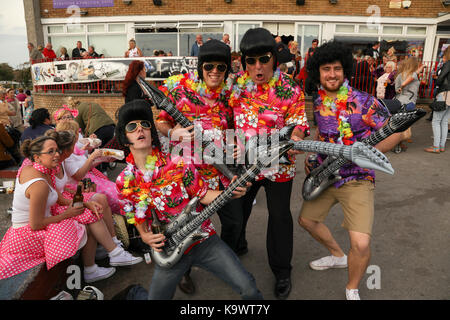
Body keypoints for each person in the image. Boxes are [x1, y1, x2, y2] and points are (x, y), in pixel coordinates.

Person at [114, 99, 262, 300]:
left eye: (145, 124)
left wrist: (231, 192)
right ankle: (134, 293)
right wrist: (145, 236)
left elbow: (204, 194)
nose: (140, 130)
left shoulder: (178, 161)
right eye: (132, 127)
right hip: (169, 248)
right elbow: (132, 214)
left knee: (250, 289)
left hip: (203, 239)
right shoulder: (124, 180)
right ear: (124, 137)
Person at [298, 41, 403, 300]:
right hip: (326, 173)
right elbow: (322, 134)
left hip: (358, 179)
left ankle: (352, 287)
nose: (332, 74)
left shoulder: (364, 101)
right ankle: (338, 256)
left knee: (362, 242)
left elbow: (398, 132)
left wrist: (368, 155)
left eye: (336, 68)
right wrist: (313, 155)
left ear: (345, 70)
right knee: (306, 221)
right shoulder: (319, 101)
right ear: (318, 73)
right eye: (326, 69)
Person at [228, 27, 310, 299]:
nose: (257, 67)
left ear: (274, 58)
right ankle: (237, 246)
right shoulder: (235, 85)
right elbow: (217, 111)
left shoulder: (290, 89)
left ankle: (282, 270)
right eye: (250, 61)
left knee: (279, 217)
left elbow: (299, 124)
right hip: (244, 165)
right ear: (243, 62)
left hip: (279, 167)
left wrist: (296, 137)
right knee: (236, 212)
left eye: (263, 59)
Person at [156, 39, 236, 294]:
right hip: (187, 176)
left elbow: (235, 129)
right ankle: (184, 272)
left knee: (234, 221)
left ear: (227, 70)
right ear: (201, 67)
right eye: (209, 65)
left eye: (221, 67)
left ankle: (225, 260)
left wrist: (237, 146)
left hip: (220, 173)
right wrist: (174, 132)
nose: (214, 71)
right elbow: (160, 123)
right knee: (186, 226)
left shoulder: (230, 97)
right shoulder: (181, 91)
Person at [0, 135, 109, 281]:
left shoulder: (39, 169)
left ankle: (102, 256)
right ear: (37, 157)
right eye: (51, 151)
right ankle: (93, 268)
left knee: (87, 213)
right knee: (84, 225)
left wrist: (87, 203)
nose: (57, 154)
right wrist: (67, 214)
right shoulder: (39, 184)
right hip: (27, 234)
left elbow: (61, 199)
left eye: (57, 150)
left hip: (33, 226)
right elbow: (35, 224)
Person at [425, 46, 450, 153]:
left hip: (444, 93)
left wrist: (437, 82)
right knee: (444, 121)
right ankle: (441, 146)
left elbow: (441, 78)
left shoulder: (448, 63)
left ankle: (436, 147)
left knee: (436, 121)